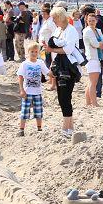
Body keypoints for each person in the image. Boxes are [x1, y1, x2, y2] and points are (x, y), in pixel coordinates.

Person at [43, 7, 80, 137]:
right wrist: (50, 48)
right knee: (62, 97)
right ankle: (69, 126)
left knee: (65, 97)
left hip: (69, 67)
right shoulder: (59, 30)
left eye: (54, 18)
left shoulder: (71, 30)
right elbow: (56, 45)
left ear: (60, 17)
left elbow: (68, 49)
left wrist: (51, 49)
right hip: (60, 66)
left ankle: (66, 127)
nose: (53, 21)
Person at [16, 43, 49, 136]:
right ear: (28, 52)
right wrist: (22, 90)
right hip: (27, 92)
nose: (34, 53)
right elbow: (20, 77)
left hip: (38, 92)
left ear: (38, 52)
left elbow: (47, 72)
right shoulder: (25, 64)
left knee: (39, 111)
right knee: (25, 111)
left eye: (36, 52)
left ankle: (39, 128)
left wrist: (54, 72)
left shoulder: (40, 63)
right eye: (32, 52)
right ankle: (21, 130)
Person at [83, 13, 103, 107]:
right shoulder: (87, 31)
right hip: (92, 58)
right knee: (93, 82)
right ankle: (94, 103)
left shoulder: (98, 30)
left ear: (96, 21)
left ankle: (89, 102)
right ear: (87, 21)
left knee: (91, 82)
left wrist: (99, 44)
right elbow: (95, 44)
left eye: (93, 20)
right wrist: (99, 44)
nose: (91, 22)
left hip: (98, 58)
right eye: (89, 21)